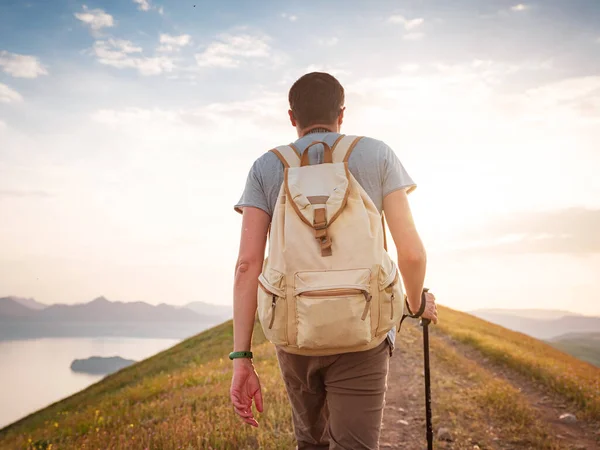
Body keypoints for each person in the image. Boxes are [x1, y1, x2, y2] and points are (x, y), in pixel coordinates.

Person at [229, 72, 438, 450]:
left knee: (310, 443)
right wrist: (415, 303)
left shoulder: (266, 167)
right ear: (342, 113)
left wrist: (242, 357)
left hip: (296, 334)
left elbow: (247, 265)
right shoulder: (377, 155)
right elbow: (411, 252)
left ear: (292, 117)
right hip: (365, 332)